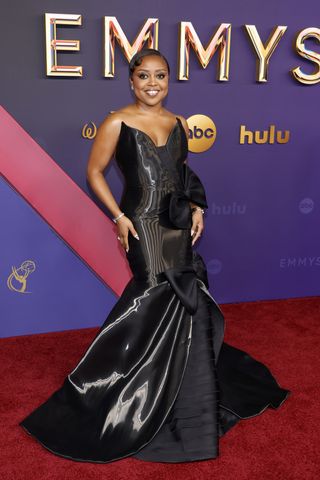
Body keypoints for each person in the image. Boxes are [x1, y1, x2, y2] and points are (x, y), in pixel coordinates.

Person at [19, 48, 291, 463]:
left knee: (182, 297)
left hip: (176, 223)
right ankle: (111, 380)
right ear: (131, 80)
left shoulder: (178, 123)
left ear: (169, 80)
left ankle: (180, 383)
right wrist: (118, 217)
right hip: (141, 222)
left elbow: (182, 174)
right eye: (144, 76)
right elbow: (95, 171)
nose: (152, 84)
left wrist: (196, 206)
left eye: (160, 76)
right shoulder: (117, 122)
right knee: (151, 292)